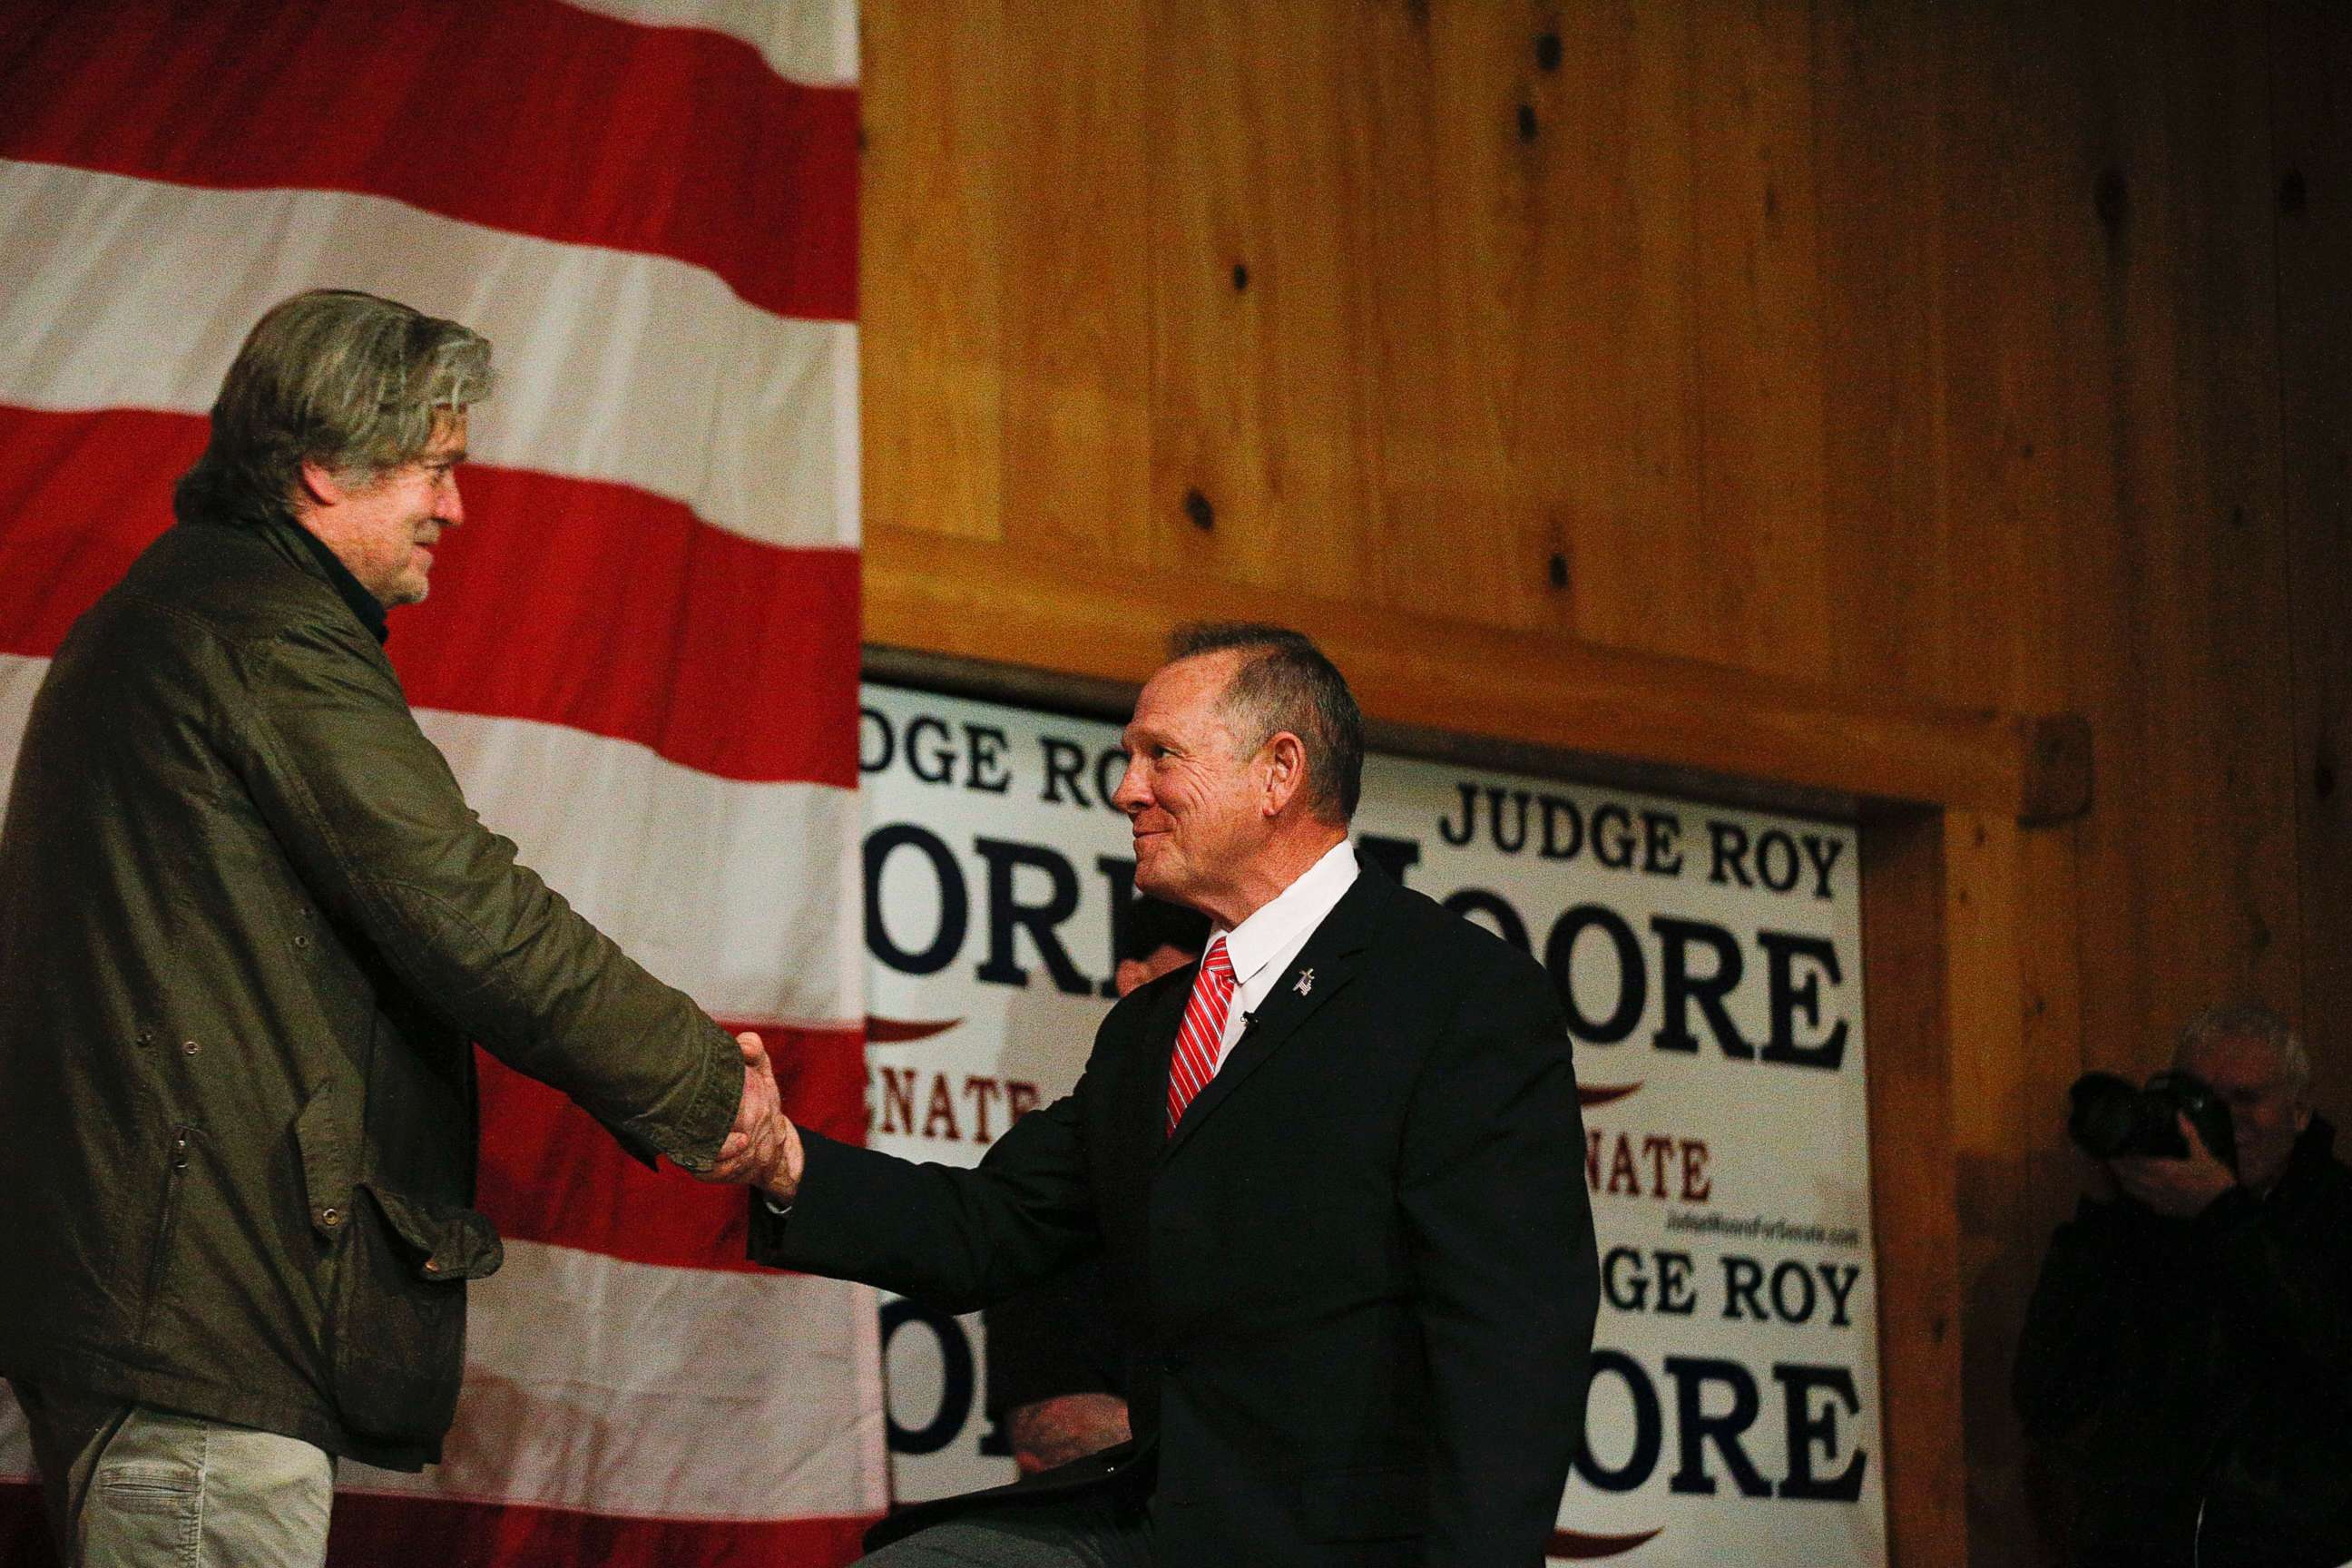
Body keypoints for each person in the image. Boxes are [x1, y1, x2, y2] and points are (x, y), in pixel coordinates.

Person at [0, 289, 782, 1568]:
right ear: (322, 466)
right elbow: (466, 908)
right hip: (201, 1330)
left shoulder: (179, 617)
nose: (454, 506)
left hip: (163, 1309)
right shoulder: (261, 634)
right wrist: (709, 1090)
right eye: (436, 465)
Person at [742, 624, 1599, 1566]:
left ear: (1280, 773)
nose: (1126, 790)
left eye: (1161, 756)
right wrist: (787, 1160)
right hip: (1153, 1522)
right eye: (1128, 759)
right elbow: (990, 1225)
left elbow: (1514, 1342)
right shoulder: (1152, 1031)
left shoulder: (1454, 995)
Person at [2014, 1004, 2352, 1568]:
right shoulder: (2142, 1222)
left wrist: (2223, 1214)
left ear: (2299, 1112)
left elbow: (2332, 1355)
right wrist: (2099, 1216)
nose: (2222, 1118)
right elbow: (2047, 1396)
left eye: (2246, 1099)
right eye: (2200, 1097)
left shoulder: (2338, 1215)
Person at [984, 896, 1210, 1475]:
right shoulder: (1073, 1163)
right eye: (1201, 967)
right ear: (1134, 982)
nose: (1224, 993)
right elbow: (1046, 1426)